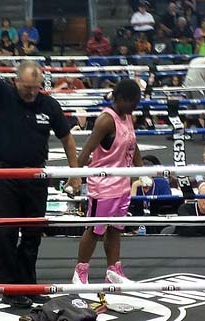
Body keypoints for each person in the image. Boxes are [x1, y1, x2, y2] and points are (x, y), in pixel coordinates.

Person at [0, 25, 81, 306]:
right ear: (16, 81)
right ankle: (10, 289)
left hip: (36, 177)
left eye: (36, 87)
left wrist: (75, 173)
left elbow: (68, 139)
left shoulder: (49, 104)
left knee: (32, 234)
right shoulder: (3, 94)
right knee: (5, 233)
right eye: (27, 87)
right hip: (5, 175)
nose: (32, 92)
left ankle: (27, 284)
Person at [72, 79, 143, 284]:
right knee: (94, 230)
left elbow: (133, 144)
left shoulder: (128, 116)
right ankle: (80, 273)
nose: (135, 107)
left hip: (122, 184)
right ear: (120, 99)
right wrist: (73, 177)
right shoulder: (106, 120)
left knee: (115, 229)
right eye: (133, 102)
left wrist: (142, 171)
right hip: (102, 186)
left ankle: (114, 271)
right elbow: (86, 151)